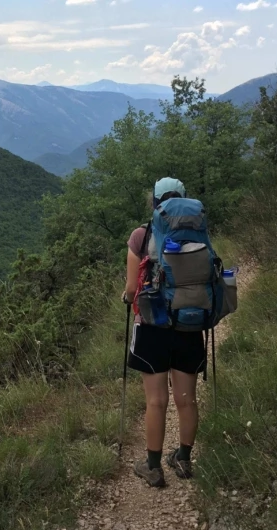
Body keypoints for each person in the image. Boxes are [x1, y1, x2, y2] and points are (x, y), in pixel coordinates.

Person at [122, 177, 206, 487]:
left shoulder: (141, 236)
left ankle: (153, 466)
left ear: (155, 203)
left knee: (156, 401)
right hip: (190, 322)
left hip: (153, 325)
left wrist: (128, 296)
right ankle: (183, 460)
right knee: (187, 399)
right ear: (183, 201)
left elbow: (132, 290)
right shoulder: (198, 233)